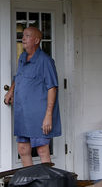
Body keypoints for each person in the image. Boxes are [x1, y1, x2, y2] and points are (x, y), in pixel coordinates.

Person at [4, 26, 61, 166]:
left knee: (42, 150)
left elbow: (52, 88)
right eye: (23, 35)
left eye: (27, 36)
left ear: (36, 40)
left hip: (38, 115)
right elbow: (19, 77)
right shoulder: (23, 57)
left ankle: (46, 186)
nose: (23, 38)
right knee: (23, 149)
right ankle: (29, 184)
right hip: (23, 113)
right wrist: (11, 91)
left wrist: (48, 115)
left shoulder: (45, 61)